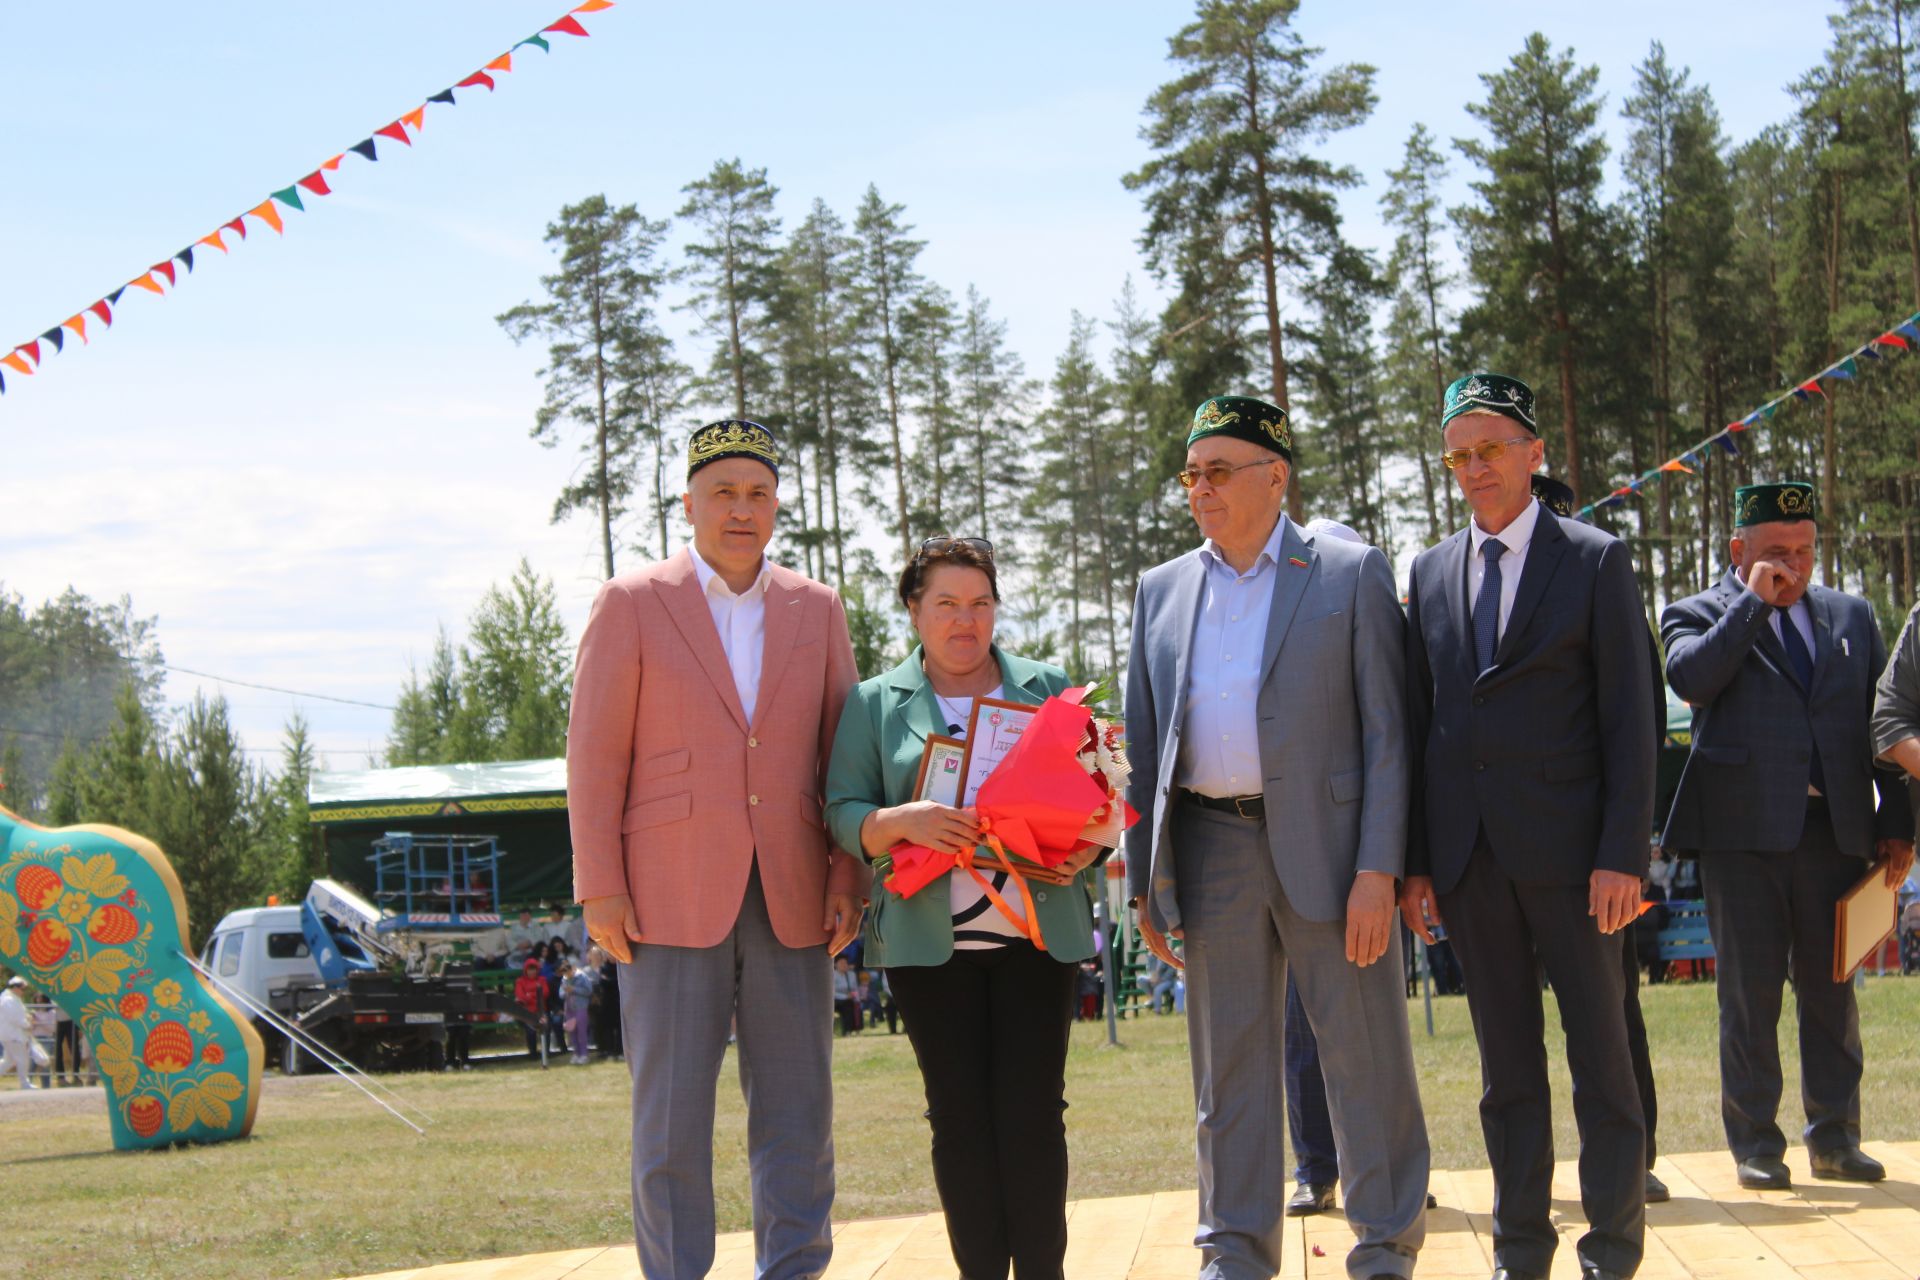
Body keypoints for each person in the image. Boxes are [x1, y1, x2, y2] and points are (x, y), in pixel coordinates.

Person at [1125, 395, 1429, 1280]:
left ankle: (1383, 1247)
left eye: (1219, 470)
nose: (1201, 490)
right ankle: (1234, 1253)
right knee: (1228, 1070)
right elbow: (1146, 741)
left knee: (1365, 1055)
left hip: (1334, 857)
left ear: (1275, 476)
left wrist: (1379, 867)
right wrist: (1150, 878)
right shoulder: (1162, 588)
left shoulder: (1347, 570)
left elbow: (1388, 733)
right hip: (1211, 846)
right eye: (1191, 474)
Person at [570, 418, 863, 1280]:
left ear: (777, 506)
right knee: (668, 1122)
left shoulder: (817, 607)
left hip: (795, 891)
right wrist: (601, 886)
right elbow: (594, 755)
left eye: (759, 493)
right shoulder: (631, 602)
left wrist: (848, 871)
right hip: (663, 897)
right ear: (688, 503)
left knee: (799, 1116)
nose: (743, 510)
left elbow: (842, 749)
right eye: (724, 493)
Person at [1401, 373, 1655, 1280]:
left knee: (1604, 1064)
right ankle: (1519, 1253)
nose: (1475, 468)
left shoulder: (1594, 559)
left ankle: (1613, 1252)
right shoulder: (1428, 572)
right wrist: (1420, 865)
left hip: (1579, 864)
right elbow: (1425, 724)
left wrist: (1624, 853)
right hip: (1471, 867)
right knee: (1507, 1076)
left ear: (1534, 451)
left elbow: (1633, 718)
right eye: (1459, 455)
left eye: (1491, 448)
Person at [825, 534, 1100, 1280]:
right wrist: (897, 822)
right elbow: (841, 810)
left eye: (980, 604)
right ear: (914, 611)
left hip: (1037, 937)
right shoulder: (874, 704)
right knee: (959, 1121)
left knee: (1035, 1117)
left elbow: (1098, 800)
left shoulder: (1046, 688)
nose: (964, 621)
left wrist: (1090, 848)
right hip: (927, 946)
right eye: (945, 604)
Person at [1662, 481, 1914, 1189]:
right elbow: (1693, 680)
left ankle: (1835, 1136)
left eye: (1804, 551)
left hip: (1834, 833)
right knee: (1748, 997)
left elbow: (1880, 725)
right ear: (1737, 550)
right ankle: (1756, 1146)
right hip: (1740, 840)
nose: (1793, 566)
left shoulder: (1850, 615)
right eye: (1776, 551)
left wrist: (1896, 824)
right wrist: (1752, 603)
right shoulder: (1697, 612)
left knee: (1834, 990)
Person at [1534, 471, 1671, 1206]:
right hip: (1507, 852)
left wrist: (1628, 846)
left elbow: (1639, 727)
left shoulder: (1604, 588)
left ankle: (1634, 1153)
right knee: (1517, 1031)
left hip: (1593, 852)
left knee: (1613, 1012)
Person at [0, 977, 36, 1089]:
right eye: (22, 988)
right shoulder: (8, 1000)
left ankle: (25, 1083)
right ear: (15, 988)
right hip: (13, 1034)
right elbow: (15, 1018)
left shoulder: (12, 998)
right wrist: (28, 1024)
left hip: (12, 1034)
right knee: (22, 1059)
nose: (23, 991)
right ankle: (25, 1083)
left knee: (8, 1061)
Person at [513, 957, 546, 1059]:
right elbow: (520, 996)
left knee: (546, 1025)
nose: (532, 971)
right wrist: (534, 995)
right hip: (525, 1012)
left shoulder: (542, 980)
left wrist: (529, 995)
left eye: (534, 969)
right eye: (529, 969)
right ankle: (533, 1052)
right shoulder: (520, 981)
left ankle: (546, 1051)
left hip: (540, 1011)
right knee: (530, 1029)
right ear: (525, 970)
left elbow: (545, 993)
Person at [563, 961, 595, 1065]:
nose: (567, 973)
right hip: (569, 1008)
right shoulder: (564, 979)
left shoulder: (582, 977)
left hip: (581, 1007)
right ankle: (576, 1053)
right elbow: (560, 993)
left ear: (573, 968)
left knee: (581, 1031)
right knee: (572, 1031)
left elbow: (588, 991)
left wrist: (574, 989)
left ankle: (584, 1054)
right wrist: (565, 991)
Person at [832, 955, 862, 1036]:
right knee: (845, 1004)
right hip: (835, 999)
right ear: (835, 964)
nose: (844, 965)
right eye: (841, 963)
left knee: (851, 1006)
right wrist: (845, 996)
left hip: (848, 1000)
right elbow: (831, 992)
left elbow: (855, 988)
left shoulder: (851, 974)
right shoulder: (832, 975)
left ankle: (848, 1031)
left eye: (845, 963)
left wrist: (857, 998)